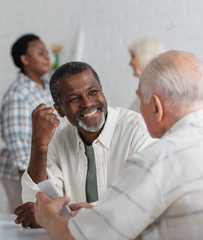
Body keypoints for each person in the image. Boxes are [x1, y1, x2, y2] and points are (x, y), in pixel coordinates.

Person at [34, 50, 203, 239]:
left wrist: (47, 216)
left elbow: (74, 237)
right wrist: (99, 211)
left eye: (139, 98)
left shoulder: (156, 159)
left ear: (155, 106)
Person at [15, 61, 154, 227]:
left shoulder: (137, 130)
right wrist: (38, 143)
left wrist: (91, 212)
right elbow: (35, 198)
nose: (88, 103)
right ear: (60, 110)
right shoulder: (58, 142)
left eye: (93, 92)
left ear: (102, 91)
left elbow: (146, 197)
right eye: (74, 98)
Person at [0, 33, 56, 213]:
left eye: (47, 52)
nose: (47, 57)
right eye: (41, 53)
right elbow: (17, 142)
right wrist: (35, 180)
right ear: (25, 59)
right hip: (22, 174)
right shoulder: (18, 94)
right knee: (26, 223)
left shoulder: (47, 86)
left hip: (45, 169)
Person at [128, 37, 166, 112]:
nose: (130, 62)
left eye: (133, 56)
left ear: (144, 57)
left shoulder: (154, 92)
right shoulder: (146, 89)